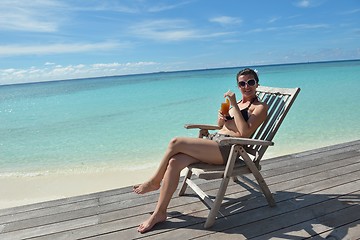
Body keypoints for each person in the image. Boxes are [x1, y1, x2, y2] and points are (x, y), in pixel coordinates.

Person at [133, 68, 268, 233]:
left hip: (230, 149)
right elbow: (220, 126)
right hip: (214, 142)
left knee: (175, 142)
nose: (246, 86)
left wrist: (234, 106)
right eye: (242, 83)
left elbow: (245, 133)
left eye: (250, 82)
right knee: (174, 162)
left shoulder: (260, 107)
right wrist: (223, 115)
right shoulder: (237, 104)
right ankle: (160, 213)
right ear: (238, 86)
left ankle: (154, 181)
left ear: (257, 84)